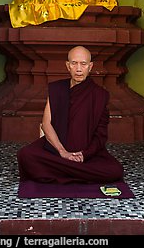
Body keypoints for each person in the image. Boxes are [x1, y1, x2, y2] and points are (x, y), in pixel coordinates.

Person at [17, 45, 124, 184]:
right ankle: (75, 171)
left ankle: (62, 170)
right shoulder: (57, 89)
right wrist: (63, 152)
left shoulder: (100, 95)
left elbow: (101, 134)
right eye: (74, 63)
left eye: (83, 64)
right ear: (68, 66)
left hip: (86, 154)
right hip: (56, 150)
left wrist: (84, 155)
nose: (78, 69)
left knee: (115, 170)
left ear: (90, 66)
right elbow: (46, 123)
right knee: (25, 155)